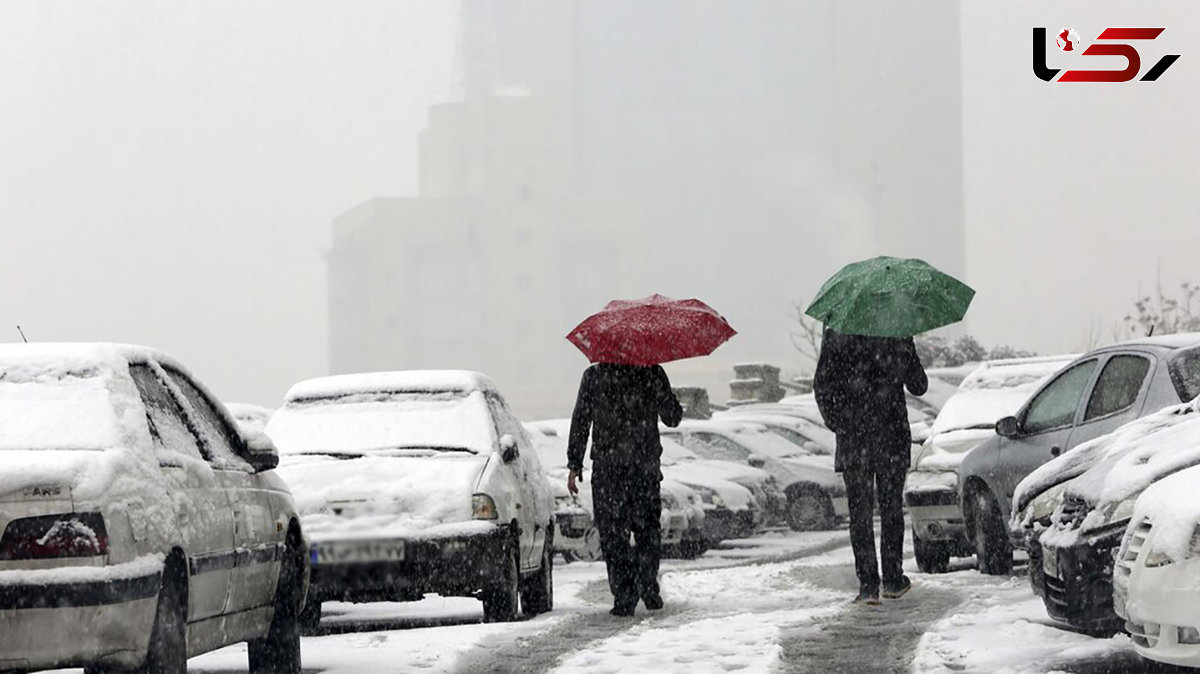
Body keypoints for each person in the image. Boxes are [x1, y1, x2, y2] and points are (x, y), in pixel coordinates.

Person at [814, 326, 927, 604]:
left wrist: (840, 422)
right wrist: (906, 350)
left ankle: (867, 586)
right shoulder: (897, 334)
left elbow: (821, 387)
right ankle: (892, 579)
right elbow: (919, 385)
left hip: (854, 440)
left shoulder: (837, 335)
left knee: (860, 515)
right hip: (891, 437)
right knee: (891, 510)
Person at [567, 362, 684, 617]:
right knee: (647, 532)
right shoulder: (652, 372)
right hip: (644, 469)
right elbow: (672, 417)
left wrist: (575, 463)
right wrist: (671, 400)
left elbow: (581, 419)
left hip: (609, 471)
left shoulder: (594, 376)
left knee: (613, 536)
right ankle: (648, 587)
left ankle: (624, 596)